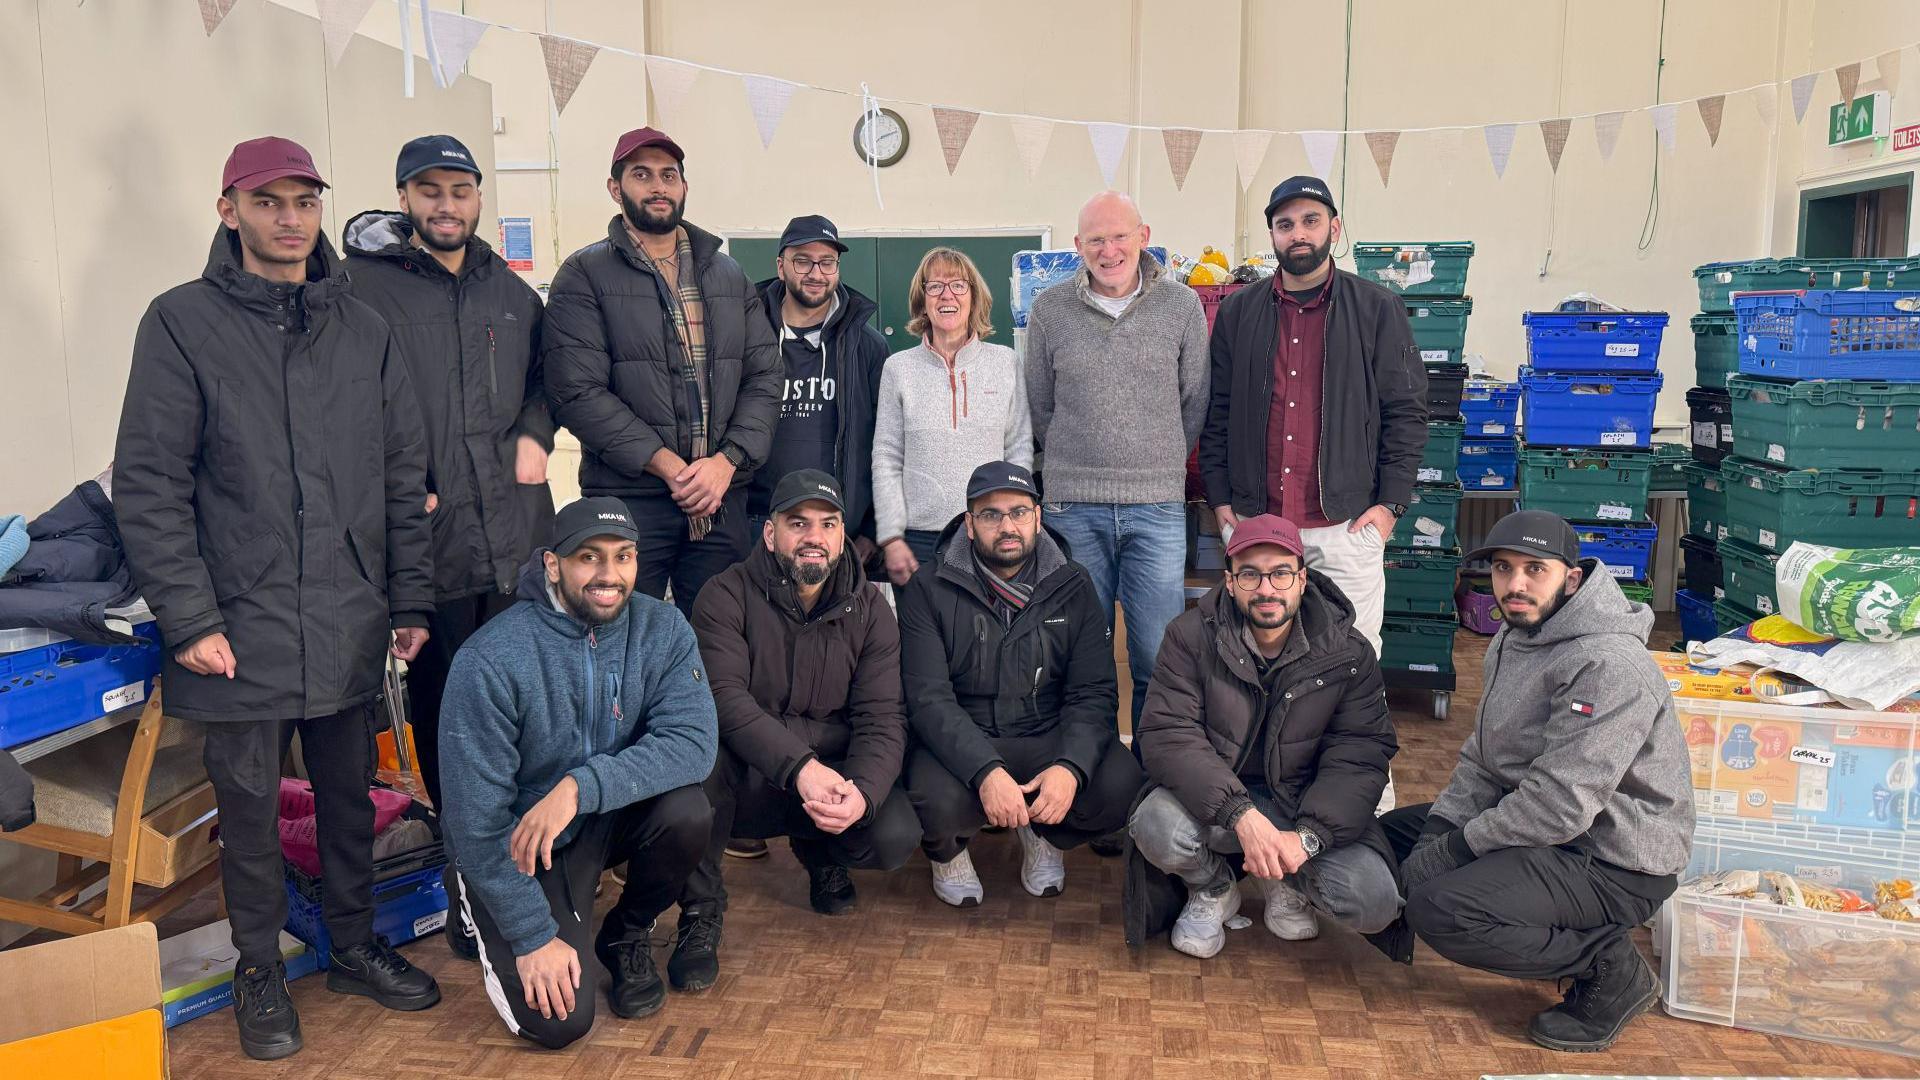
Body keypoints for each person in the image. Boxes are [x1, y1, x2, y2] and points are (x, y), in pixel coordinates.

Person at [113, 137, 440, 1061]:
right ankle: (258, 966)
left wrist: (408, 599)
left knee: (349, 798)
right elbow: (149, 483)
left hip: (346, 613)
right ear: (230, 211)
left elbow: (398, 474)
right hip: (236, 624)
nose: (290, 219)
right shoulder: (180, 322)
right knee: (249, 816)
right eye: (269, 203)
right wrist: (190, 618)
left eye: (304, 201)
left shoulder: (363, 328)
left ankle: (354, 944)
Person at [1384, 510, 1694, 1053]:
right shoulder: (1516, 633)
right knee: (1393, 835)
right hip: (1547, 828)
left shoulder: (1607, 662)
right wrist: (1440, 831)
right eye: (1504, 569)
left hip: (1615, 859)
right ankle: (1417, 901)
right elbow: (1485, 756)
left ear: (1571, 579)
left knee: (1444, 909)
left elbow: (1559, 806)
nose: (1516, 584)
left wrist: (1456, 848)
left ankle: (1610, 967)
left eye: (1535, 569)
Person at [342, 137, 551, 922]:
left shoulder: (512, 292)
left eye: (460, 190)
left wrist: (536, 430)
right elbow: (334, 399)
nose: (446, 205)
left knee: (530, 714)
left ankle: (535, 865)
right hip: (428, 552)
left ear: (478, 198)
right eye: (428, 190)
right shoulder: (360, 288)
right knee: (446, 729)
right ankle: (470, 884)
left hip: (522, 549)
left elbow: (546, 381)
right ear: (403, 198)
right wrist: (388, 484)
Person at [438, 498, 717, 1050]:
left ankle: (625, 935)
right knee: (560, 1024)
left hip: (596, 814)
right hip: (519, 842)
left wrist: (579, 787)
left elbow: (692, 742)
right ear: (551, 564)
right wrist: (532, 935)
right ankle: (470, 889)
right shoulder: (489, 660)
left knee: (689, 809)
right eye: (589, 557)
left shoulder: (663, 627)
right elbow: (477, 820)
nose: (609, 575)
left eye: (624, 557)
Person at [671, 470, 917, 991]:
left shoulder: (873, 609)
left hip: (830, 773)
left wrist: (863, 795)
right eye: (798, 523)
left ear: (842, 534)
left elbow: (882, 717)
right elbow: (724, 701)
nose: (814, 537)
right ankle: (701, 911)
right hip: (751, 771)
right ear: (770, 534)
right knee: (697, 764)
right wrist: (799, 767)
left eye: (828, 524)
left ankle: (822, 852)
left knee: (893, 833)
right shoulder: (723, 595)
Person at [1124, 515, 1401, 960]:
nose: (1267, 588)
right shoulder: (1189, 636)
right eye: (1250, 574)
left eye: (1280, 573)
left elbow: (1361, 754)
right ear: (1230, 582)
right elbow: (1168, 734)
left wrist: (1306, 838)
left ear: (1302, 578)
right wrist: (1242, 817)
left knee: (1372, 901)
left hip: (1300, 804)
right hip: (1217, 800)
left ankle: (1283, 879)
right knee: (1155, 825)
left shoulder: (1348, 652)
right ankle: (1215, 886)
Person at [544, 126, 781, 619]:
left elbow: (764, 377)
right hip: (631, 502)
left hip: (720, 501)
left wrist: (727, 462)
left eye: (668, 175)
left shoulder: (726, 274)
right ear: (616, 188)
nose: (658, 186)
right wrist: (671, 467)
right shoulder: (583, 274)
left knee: (720, 645)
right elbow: (577, 392)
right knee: (623, 643)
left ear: (684, 187)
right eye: (642, 175)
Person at [1197, 175, 1428, 659]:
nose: (1298, 233)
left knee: (1351, 660)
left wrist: (1390, 507)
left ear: (1334, 229)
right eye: (1285, 224)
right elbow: (1216, 412)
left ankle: (1346, 740)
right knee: (1256, 658)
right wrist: (1219, 500)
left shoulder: (1378, 308)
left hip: (1343, 526)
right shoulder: (1238, 312)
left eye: (1310, 221)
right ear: (1273, 236)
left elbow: (1406, 412)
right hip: (1256, 522)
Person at [897, 462, 1145, 905]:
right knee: (931, 799)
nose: (1007, 525)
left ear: (1038, 518)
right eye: (991, 515)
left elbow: (1092, 692)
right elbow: (928, 698)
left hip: (1045, 735)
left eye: (1019, 512)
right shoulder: (927, 587)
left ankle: (1043, 832)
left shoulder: (1073, 583)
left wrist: (1069, 768)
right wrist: (986, 771)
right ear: (969, 526)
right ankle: (947, 853)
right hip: (965, 737)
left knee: (1120, 784)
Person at [1026, 191, 1210, 729]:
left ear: (1143, 236)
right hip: (1071, 508)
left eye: (1120, 236)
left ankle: (1155, 781)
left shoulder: (1181, 307)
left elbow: (1193, 401)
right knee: (1081, 657)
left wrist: (1158, 459)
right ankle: (1092, 775)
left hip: (1156, 508)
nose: (1109, 251)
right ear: (1078, 245)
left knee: (1158, 656)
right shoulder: (1049, 310)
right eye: (1096, 240)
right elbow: (1041, 405)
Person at [871, 247, 1032, 587]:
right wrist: (891, 537)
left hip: (990, 534)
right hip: (918, 541)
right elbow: (886, 458)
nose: (947, 295)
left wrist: (1015, 523)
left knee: (989, 639)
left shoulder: (1005, 363)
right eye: (935, 286)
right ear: (923, 299)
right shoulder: (898, 369)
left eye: (958, 285)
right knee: (924, 640)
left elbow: (1018, 449)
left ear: (974, 297)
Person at [748, 213, 891, 549]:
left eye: (827, 262)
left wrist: (870, 530)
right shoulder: (746, 338)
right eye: (803, 262)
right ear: (781, 266)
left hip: (835, 528)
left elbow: (883, 444)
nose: (816, 273)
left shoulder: (869, 346)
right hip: (756, 523)